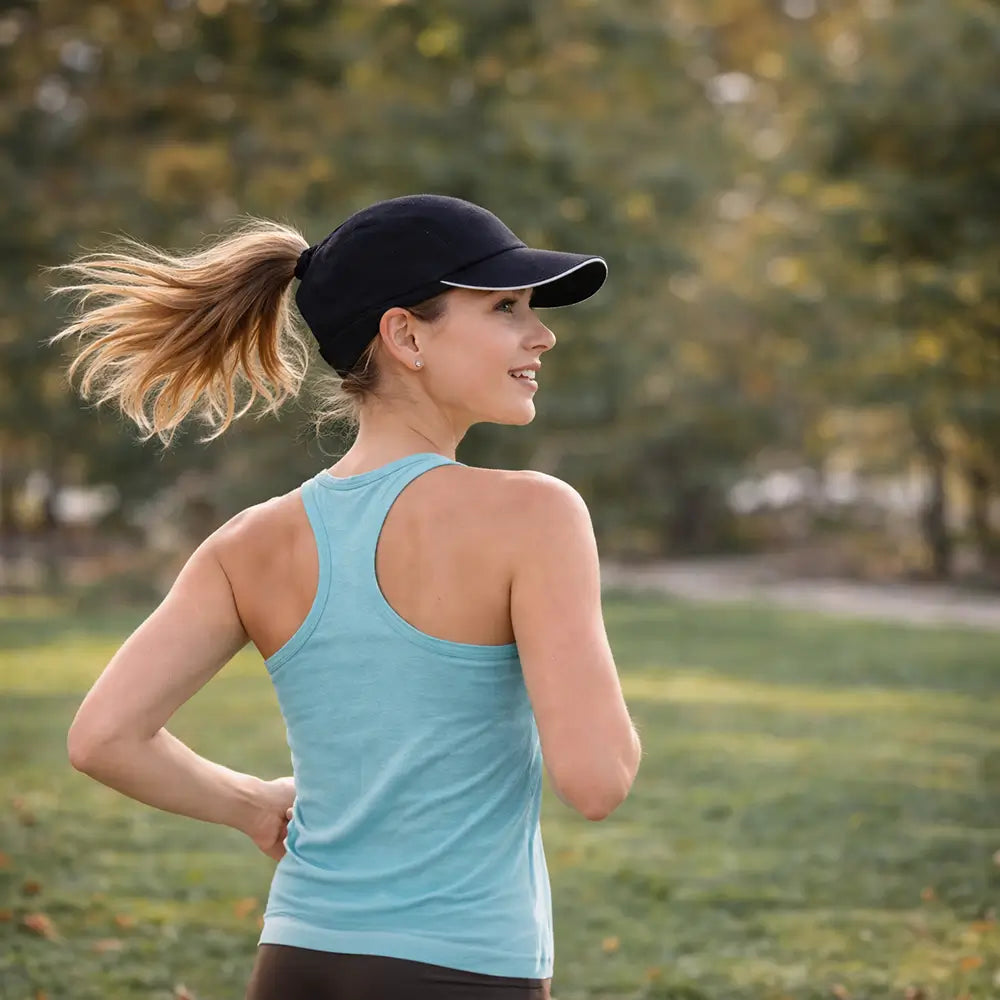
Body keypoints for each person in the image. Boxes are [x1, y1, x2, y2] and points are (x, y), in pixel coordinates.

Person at [52, 194, 643, 999]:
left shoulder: (249, 542)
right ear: (406, 336)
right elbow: (598, 780)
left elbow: (103, 738)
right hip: (466, 972)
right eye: (505, 308)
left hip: (297, 962)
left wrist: (252, 805)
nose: (542, 335)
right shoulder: (536, 514)